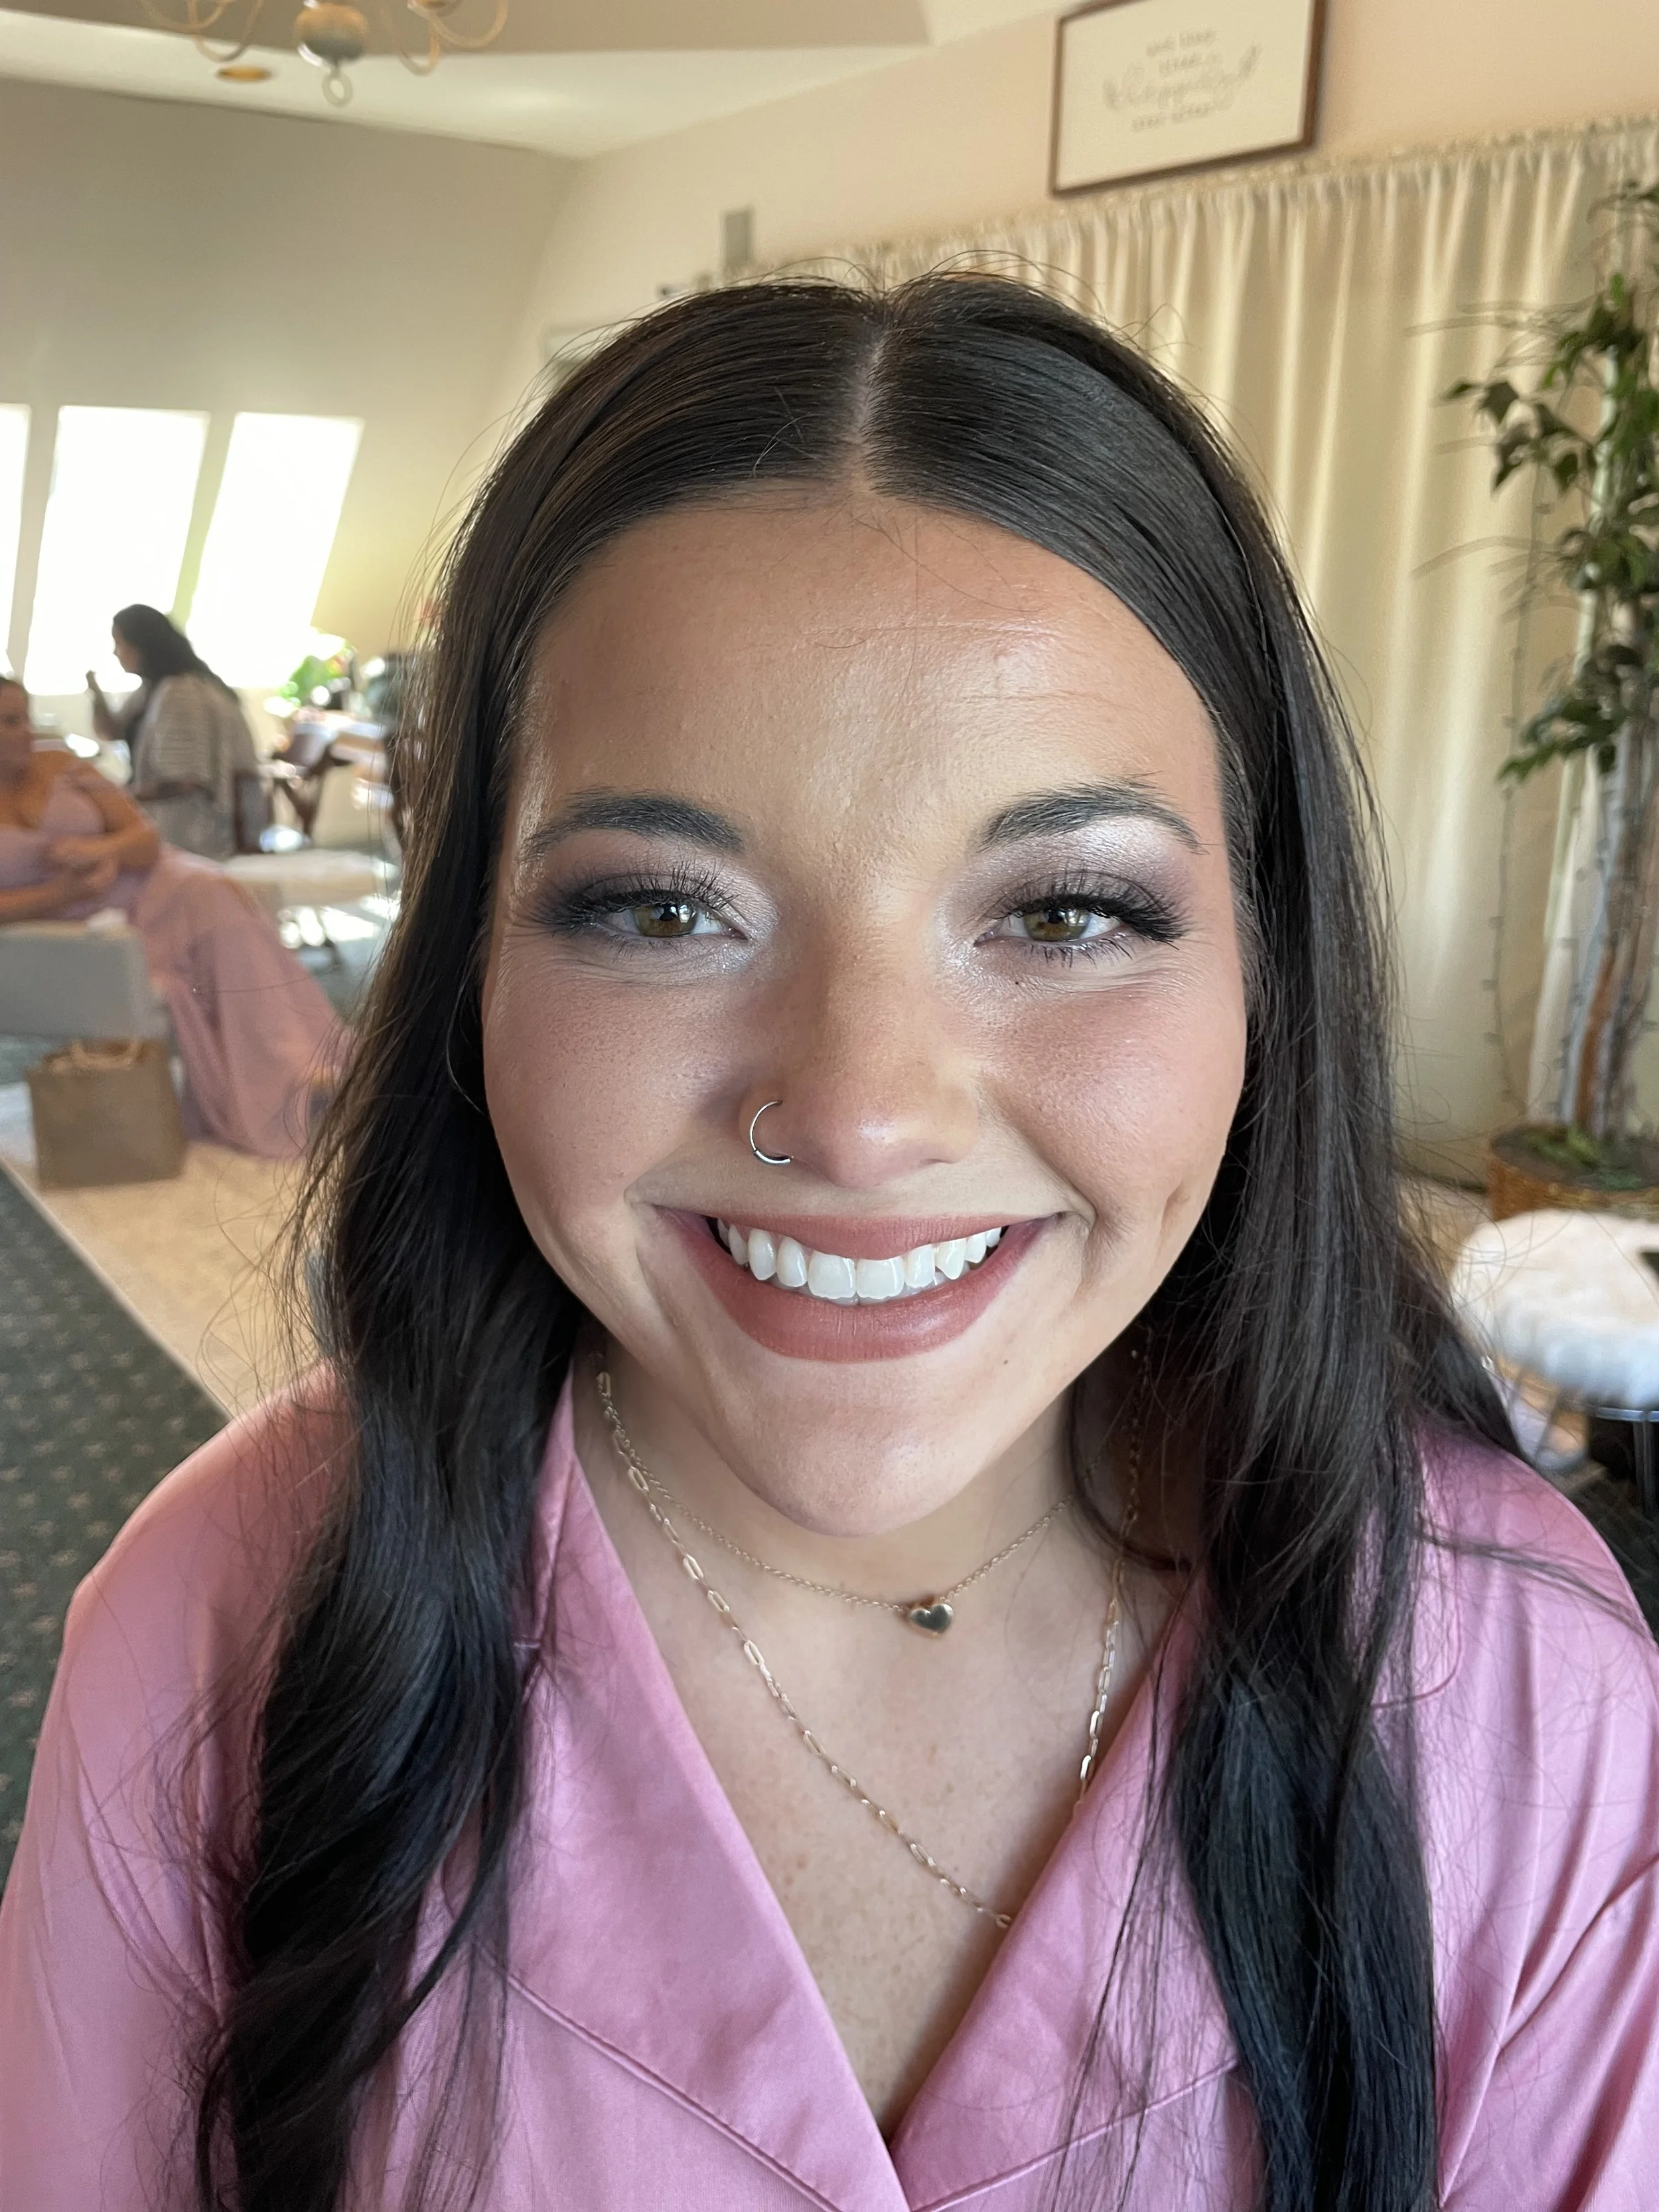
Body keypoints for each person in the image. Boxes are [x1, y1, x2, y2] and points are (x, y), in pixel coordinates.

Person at [1, 277, 1656, 2212]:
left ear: (1263, 975)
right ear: (469, 969)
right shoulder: (215, 1626)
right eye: (658, 909)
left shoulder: (1514, 1680)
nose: (861, 1114)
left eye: (1060, 912)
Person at [0, 675, 344, 1157]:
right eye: (9, 721)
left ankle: (308, 1071)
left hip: (156, 886)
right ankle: (282, 1087)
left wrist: (99, 849)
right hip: (82, 934)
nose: (24, 731)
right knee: (211, 940)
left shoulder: (59, 762)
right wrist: (58, 893)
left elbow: (144, 840)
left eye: (22, 717)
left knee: (223, 913)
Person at [88, 603, 263, 859]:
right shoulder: (155, 688)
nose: (116, 653)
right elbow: (112, 731)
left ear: (142, 644)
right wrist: (95, 692)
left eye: (120, 643)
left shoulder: (182, 693)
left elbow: (185, 781)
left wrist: (120, 796)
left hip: (196, 827)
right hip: (176, 815)